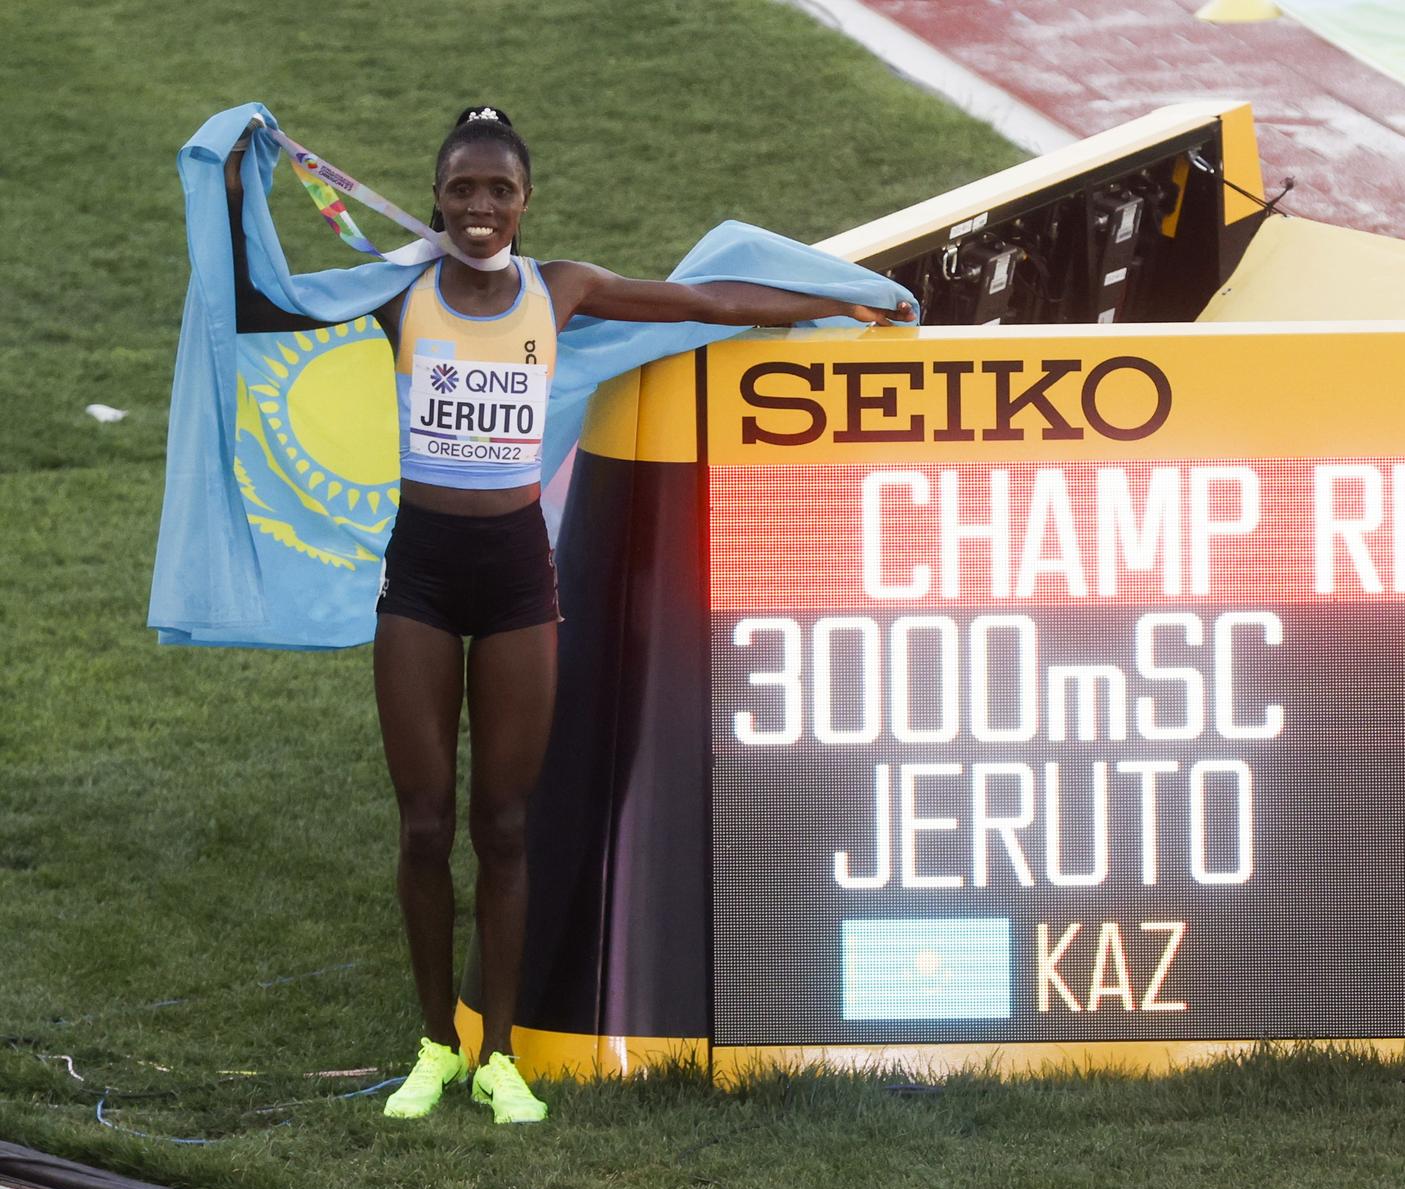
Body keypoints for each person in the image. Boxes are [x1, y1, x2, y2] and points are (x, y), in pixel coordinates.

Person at [225, 106, 910, 1123]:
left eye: (499, 189)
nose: (480, 207)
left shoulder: (565, 289)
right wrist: (233, 190)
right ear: (436, 199)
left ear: (525, 201)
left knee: (504, 823)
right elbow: (265, 305)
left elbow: (703, 301)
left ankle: (497, 1054)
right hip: (417, 574)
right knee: (423, 823)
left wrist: (841, 305)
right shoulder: (399, 293)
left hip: (514, 579)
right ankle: (432, 1045)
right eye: (462, 188)